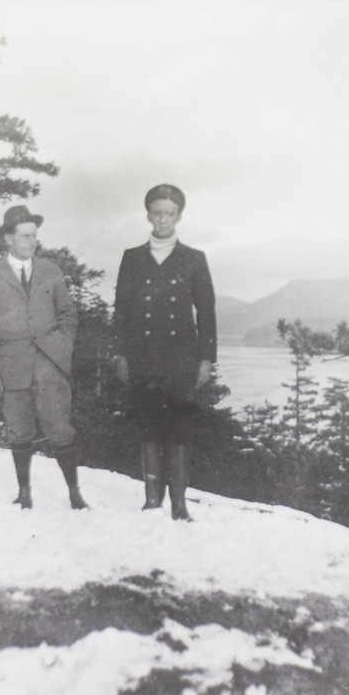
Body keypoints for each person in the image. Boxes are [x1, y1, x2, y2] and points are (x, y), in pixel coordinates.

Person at [0, 204, 89, 511]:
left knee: (59, 427)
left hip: (49, 361)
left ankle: (74, 493)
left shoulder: (50, 271)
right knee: (20, 429)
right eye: (24, 236)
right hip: (11, 364)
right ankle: (24, 493)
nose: (31, 241)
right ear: (8, 239)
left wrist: (62, 344)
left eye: (34, 235)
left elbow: (67, 312)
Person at [113, 184, 217, 521]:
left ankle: (180, 502)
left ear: (179, 217)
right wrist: (121, 354)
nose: (163, 219)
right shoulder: (132, 258)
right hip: (143, 355)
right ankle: (152, 498)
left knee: (179, 428)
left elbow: (207, 312)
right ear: (148, 215)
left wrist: (205, 359)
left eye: (169, 213)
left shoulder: (194, 259)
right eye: (157, 212)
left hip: (181, 357)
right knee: (148, 425)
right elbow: (122, 310)